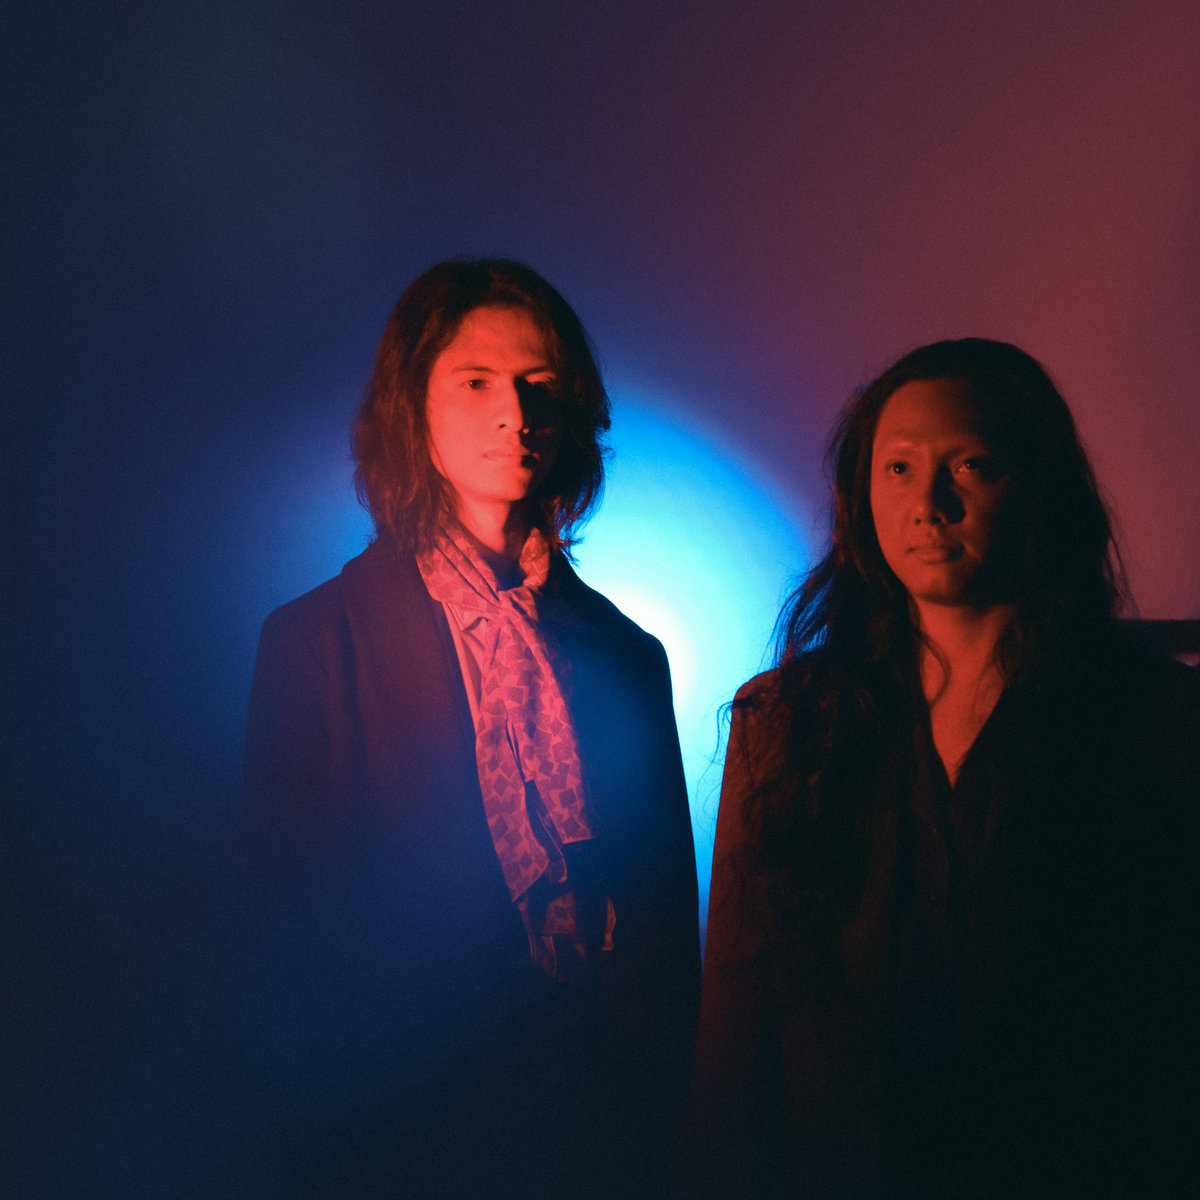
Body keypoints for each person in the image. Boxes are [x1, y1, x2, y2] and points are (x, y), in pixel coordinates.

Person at [690, 339, 1199, 1198]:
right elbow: (736, 1032)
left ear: (1037, 487)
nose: (928, 503)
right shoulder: (786, 721)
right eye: (898, 468)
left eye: (971, 466)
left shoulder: (1154, 717)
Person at [243, 258, 700, 1199]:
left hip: (595, 1128)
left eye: (540, 385)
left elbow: (662, 928)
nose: (515, 414)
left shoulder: (625, 652)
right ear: (412, 406)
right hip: (400, 1124)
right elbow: (282, 928)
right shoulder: (318, 640)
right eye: (477, 382)